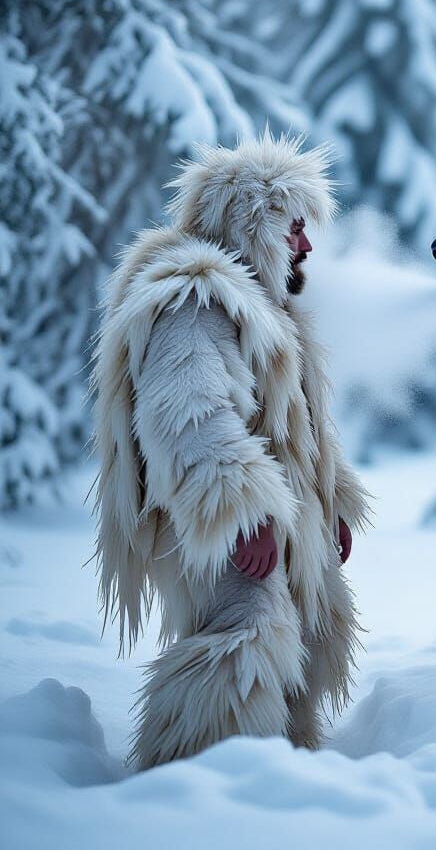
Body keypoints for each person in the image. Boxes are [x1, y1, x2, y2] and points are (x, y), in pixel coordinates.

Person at [91, 134, 369, 768]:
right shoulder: (194, 301)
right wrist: (240, 515)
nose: (305, 244)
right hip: (213, 519)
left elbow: (298, 433)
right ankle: (194, 781)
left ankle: (273, 779)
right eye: (293, 227)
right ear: (253, 225)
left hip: (270, 517)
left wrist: (333, 504)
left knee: (293, 633)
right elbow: (188, 418)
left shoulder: (264, 309)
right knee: (245, 636)